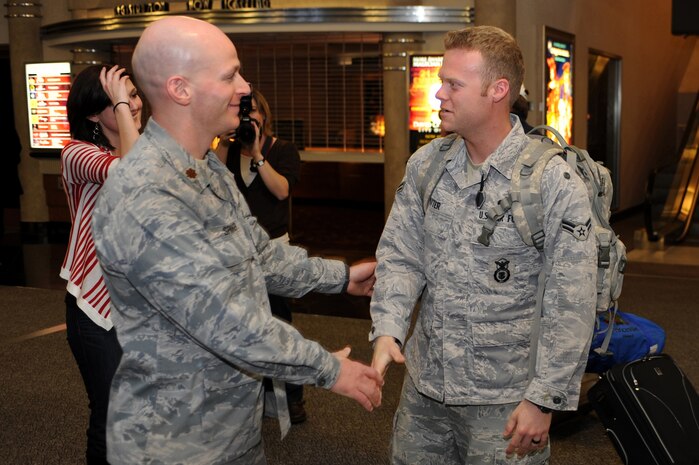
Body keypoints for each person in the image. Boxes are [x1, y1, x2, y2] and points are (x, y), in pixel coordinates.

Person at [91, 16, 383, 465]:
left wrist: (341, 278)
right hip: (175, 445)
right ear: (180, 89)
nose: (245, 86)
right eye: (230, 75)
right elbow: (226, 321)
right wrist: (331, 370)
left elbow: (258, 256)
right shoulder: (144, 194)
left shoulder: (205, 167)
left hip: (232, 434)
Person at [369, 26, 597, 464]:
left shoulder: (551, 181)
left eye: (453, 84)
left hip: (508, 404)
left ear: (498, 90)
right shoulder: (427, 165)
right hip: (425, 392)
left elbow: (572, 299)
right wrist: (388, 329)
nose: (439, 95)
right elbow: (401, 256)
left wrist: (544, 399)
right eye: (441, 81)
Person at [60, 64, 142, 465]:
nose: (135, 105)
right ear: (94, 113)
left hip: (141, 304)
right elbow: (129, 176)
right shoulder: (76, 154)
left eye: (136, 96)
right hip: (97, 309)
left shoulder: (148, 150)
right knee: (111, 416)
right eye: (122, 100)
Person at [215, 88, 307, 424]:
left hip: (275, 250)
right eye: (240, 113)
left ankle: (291, 397)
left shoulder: (282, 149)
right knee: (241, 324)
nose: (246, 118)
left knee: (279, 324)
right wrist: (224, 142)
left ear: (263, 115)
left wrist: (256, 152)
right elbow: (215, 184)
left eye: (251, 111)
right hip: (236, 252)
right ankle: (250, 396)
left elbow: (281, 190)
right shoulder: (226, 150)